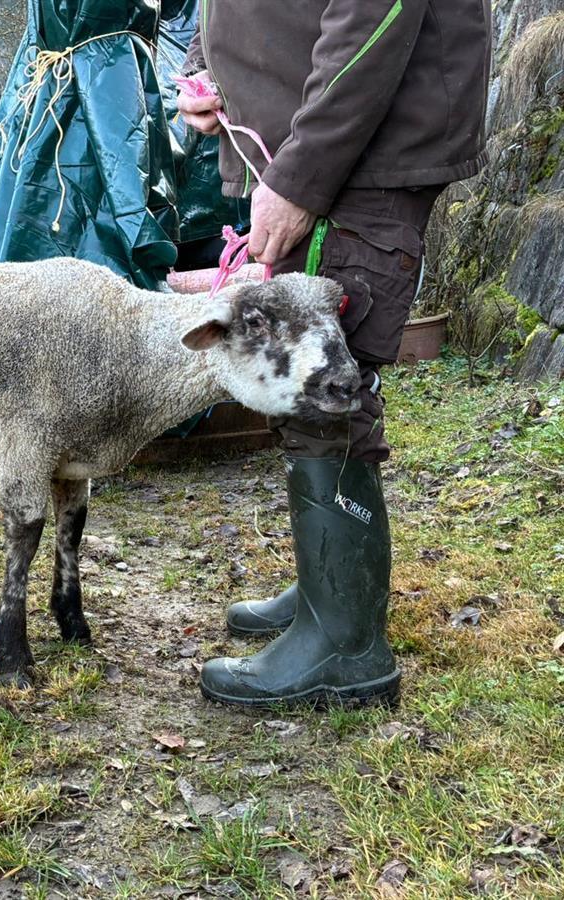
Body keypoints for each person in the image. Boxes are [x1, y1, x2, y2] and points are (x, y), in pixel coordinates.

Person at [177, 0, 491, 706]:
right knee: (305, 383)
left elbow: (380, 11)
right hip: (300, 142)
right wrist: (207, 63)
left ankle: (346, 642)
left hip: (355, 155)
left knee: (323, 382)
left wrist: (300, 176)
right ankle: (329, 586)